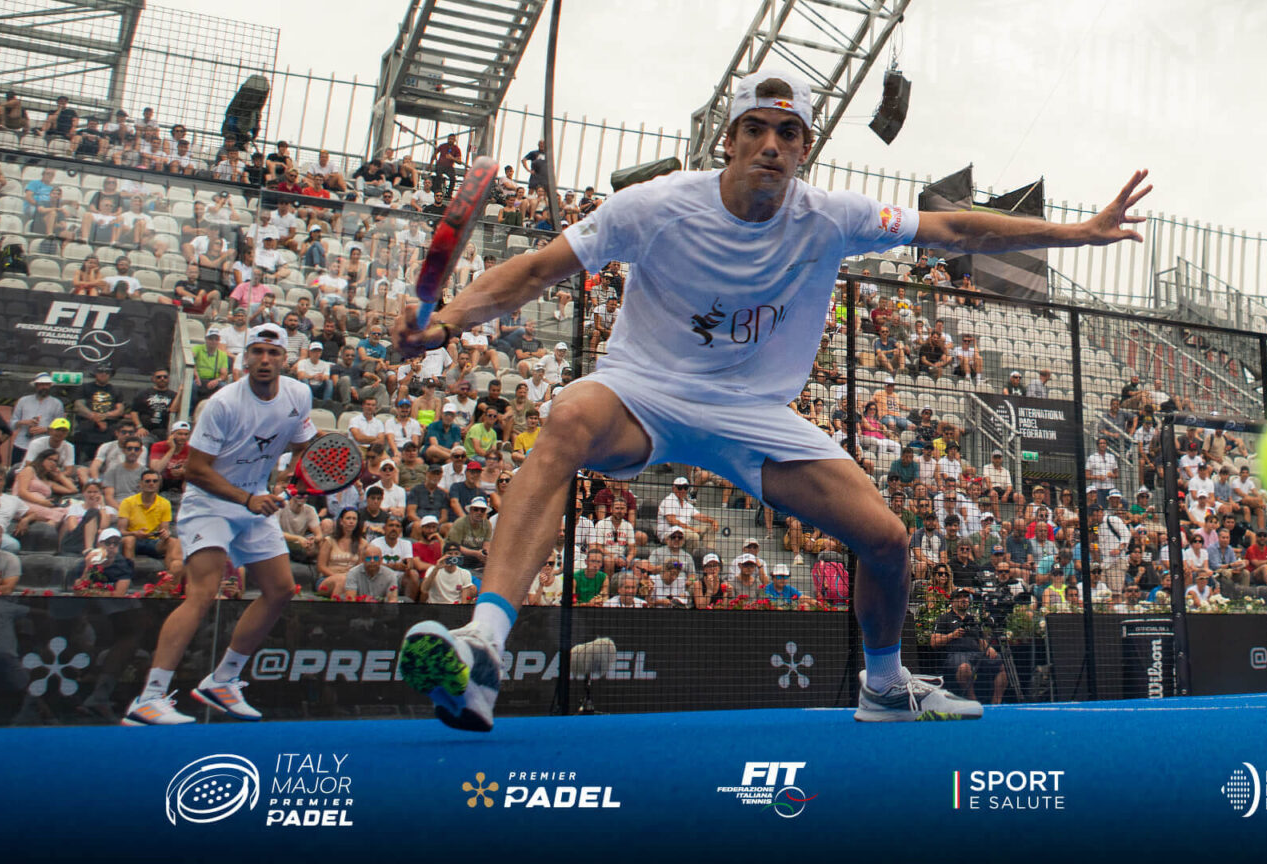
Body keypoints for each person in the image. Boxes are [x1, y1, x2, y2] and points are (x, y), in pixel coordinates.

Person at [391, 70, 1149, 728]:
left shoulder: (831, 217)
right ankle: (483, 646)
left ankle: (885, 686)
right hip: (644, 389)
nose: (771, 145)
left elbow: (950, 227)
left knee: (887, 541)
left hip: (751, 414)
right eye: (755, 128)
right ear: (728, 141)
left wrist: (1078, 233)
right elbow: (534, 270)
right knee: (566, 419)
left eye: (788, 133)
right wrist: (449, 320)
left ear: (804, 149)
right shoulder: (654, 206)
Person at [123, 325, 317, 725]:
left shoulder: (299, 394)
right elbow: (195, 470)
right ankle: (150, 697)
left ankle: (223, 680)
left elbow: (302, 445)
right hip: (209, 503)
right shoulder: (222, 404)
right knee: (203, 593)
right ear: (245, 358)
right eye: (257, 352)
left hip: (254, 502)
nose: (265, 360)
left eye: (273, 353)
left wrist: (287, 474)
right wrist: (247, 499)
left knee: (281, 590)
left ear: (285, 359)